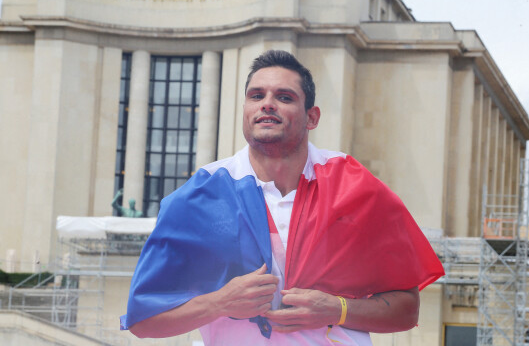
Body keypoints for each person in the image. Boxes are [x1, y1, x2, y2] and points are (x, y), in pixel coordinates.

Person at [121, 50, 444, 345]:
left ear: (312, 117)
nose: (267, 104)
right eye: (256, 95)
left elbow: (406, 310)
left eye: (284, 97)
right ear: (245, 110)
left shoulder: (356, 189)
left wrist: (337, 309)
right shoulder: (199, 196)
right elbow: (143, 320)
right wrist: (220, 302)